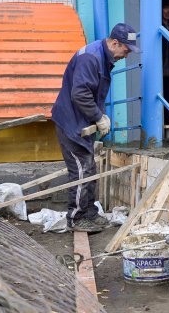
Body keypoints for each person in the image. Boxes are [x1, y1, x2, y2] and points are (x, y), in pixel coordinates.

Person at [51, 23, 139, 232]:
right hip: (71, 123)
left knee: (89, 167)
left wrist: (98, 116)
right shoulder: (91, 58)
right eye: (126, 50)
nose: (126, 56)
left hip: (81, 121)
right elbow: (80, 94)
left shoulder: (101, 55)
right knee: (81, 171)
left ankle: (89, 212)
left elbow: (92, 92)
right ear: (115, 43)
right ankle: (77, 218)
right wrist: (98, 117)